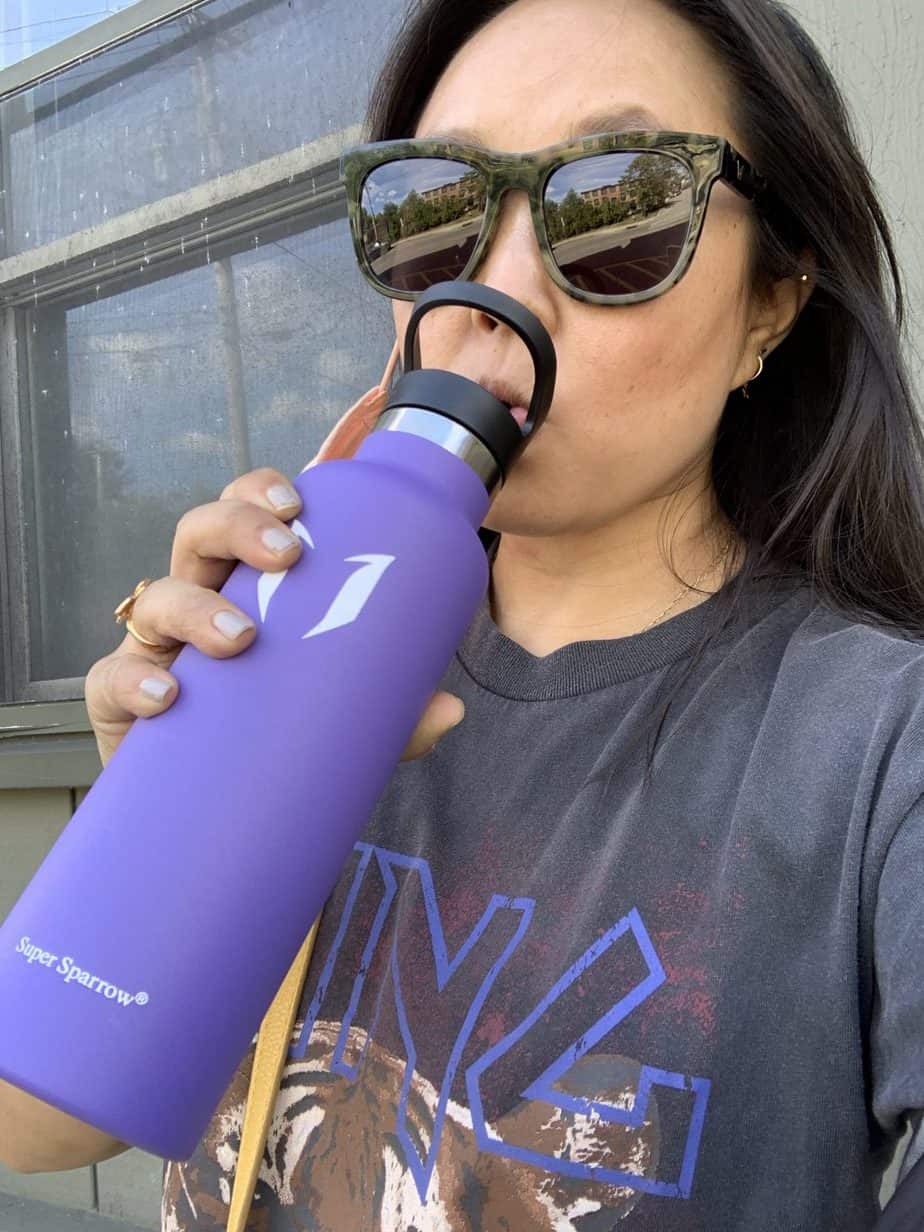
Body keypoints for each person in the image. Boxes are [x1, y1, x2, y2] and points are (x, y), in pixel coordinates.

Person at [76, 0, 924, 1226]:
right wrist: (147, 821)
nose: (497, 289)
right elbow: (49, 1119)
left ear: (771, 305)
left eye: (618, 210)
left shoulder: (874, 741)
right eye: (433, 214)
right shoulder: (288, 649)